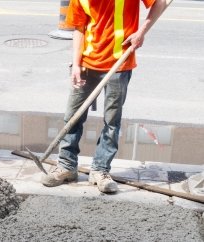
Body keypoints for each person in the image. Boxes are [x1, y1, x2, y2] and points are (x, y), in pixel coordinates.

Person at [41, 0, 168, 193]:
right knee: (72, 117)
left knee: (111, 122)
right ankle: (67, 167)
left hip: (119, 63)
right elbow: (79, 29)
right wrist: (76, 64)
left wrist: (141, 32)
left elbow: (160, 2)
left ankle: (100, 171)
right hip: (87, 64)